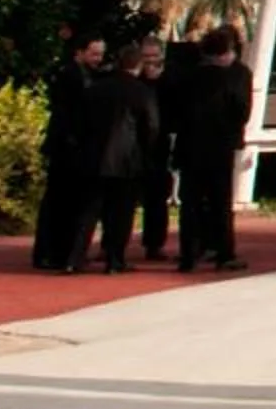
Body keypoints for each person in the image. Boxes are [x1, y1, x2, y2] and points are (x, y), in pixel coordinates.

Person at [173, 26, 254, 272]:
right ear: (224, 54)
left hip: (189, 146)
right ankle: (224, 253)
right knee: (220, 201)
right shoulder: (231, 79)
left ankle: (188, 255)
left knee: (190, 203)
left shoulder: (187, 77)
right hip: (219, 146)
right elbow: (242, 112)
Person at [84, 42, 160, 275]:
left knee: (90, 210)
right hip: (127, 158)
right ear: (138, 65)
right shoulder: (141, 91)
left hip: (95, 155)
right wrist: (147, 151)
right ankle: (115, 258)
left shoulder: (97, 87)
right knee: (122, 211)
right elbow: (151, 126)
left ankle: (75, 256)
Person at [32, 31, 105, 272]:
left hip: (73, 148)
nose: (98, 59)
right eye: (94, 54)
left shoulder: (89, 76)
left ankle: (59, 252)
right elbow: (68, 114)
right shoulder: (68, 76)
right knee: (58, 202)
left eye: (100, 54)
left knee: (68, 203)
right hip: (66, 149)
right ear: (79, 53)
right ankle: (51, 252)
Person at [132, 39, 175, 261]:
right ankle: (111, 244)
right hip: (132, 146)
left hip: (158, 145)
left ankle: (155, 243)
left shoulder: (170, 80)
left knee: (157, 197)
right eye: (145, 56)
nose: (150, 61)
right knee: (123, 196)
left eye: (154, 56)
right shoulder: (132, 80)